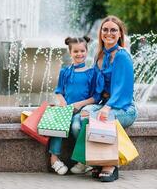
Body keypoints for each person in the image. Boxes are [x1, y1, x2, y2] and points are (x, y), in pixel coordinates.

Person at [79, 15, 138, 182]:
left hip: (124, 107)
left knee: (103, 118)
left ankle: (111, 164)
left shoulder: (122, 56)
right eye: (105, 29)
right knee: (80, 119)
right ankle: (96, 161)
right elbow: (95, 92)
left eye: (113, 30)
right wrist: (77, 103)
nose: (109, 33)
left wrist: (107, 107)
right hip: (104, 104)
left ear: (120, 34)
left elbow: (123, 89)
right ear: (101, 33)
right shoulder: (99, 57)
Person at [50, 36, 101, 175]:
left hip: (81, 111)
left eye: (82, 51)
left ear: (87, 51)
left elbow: (95, 97)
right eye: (76, 51)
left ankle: (83, 160)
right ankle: (54, 158)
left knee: (76, 126)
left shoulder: (92, 73)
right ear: (70, 53)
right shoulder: (65, 72)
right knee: (58, 123)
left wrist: (80, 104)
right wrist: (62, 101)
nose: (79, 54)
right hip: (66, 109)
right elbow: (59, 91)